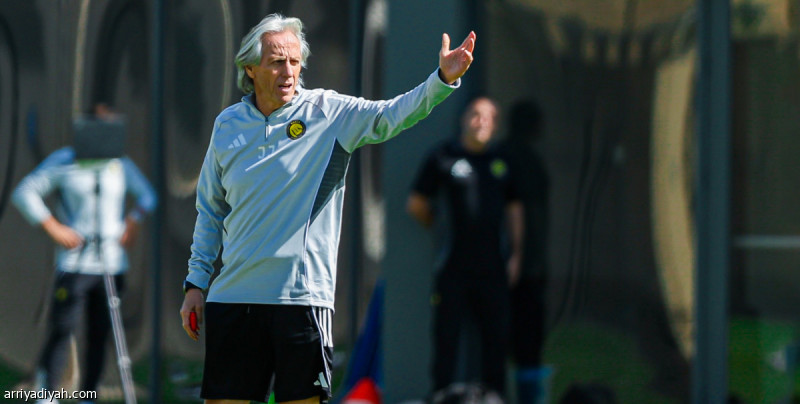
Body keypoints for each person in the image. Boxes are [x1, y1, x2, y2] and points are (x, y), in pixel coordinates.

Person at [179, 13, 475, 404]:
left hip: (301, 301)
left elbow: (391, 115)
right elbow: (210, 210)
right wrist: (196, 284)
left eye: (295, 61)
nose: (288, 71)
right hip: (234, 298)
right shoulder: (227, 124)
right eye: (277, 62)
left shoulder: (329, 113)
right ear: (250, 69)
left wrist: (441, 80)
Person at [11, 103, 157, 403]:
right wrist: (53, 227)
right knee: (63, 328)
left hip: (111, 264)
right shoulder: (64, 160)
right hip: (75, 264)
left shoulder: (119, 164)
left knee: (99, 333)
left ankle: (87, 395)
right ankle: (47, 394)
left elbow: (147, 196)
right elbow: (25, 192)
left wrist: (133, 221)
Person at [406, 97, 524, 401]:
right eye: (475, 114)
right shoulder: (443, 157)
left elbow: (515, 209)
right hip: (453, 267)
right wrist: (437, 225)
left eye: (489, 116)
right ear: (464, 119)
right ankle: (440, 398)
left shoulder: (503, 161)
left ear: (495, 125)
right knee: (446, 340)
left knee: (496, 342)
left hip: (494, 268)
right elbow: (416, 203)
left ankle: (494, 399)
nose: (481, 121)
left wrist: (516, 254)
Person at [500, 100, 551, 403]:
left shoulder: (513, 156)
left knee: (512, 342)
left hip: (522, 264)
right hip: (523, 267)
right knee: (524, 343)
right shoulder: (520, 159)